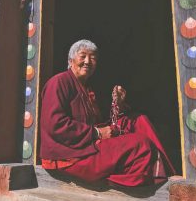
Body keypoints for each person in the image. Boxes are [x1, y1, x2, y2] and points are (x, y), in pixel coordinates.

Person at [38, 39, 175, 187]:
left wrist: (119, 106)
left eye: (93, 58)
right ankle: (116, 182)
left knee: (138, 120)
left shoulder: (87, 88)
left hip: (87, 144)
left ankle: (168, 171)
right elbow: (55, 126)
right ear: (71, 60)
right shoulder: (58, 82)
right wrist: (96, 133)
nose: (88, 61)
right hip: (69, 156)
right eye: (82, 56)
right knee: (141, 144)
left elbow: (102, 122)